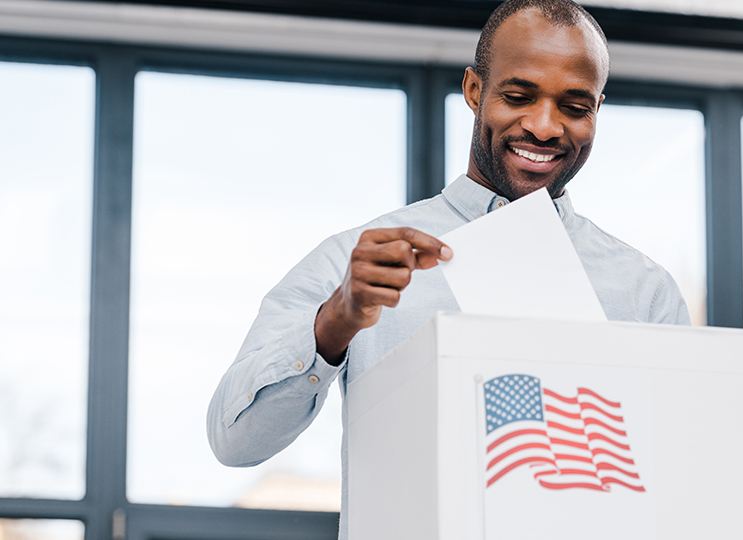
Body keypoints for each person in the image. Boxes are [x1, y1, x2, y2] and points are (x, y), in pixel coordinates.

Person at [207, 0, 690, 534]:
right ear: (474, 91)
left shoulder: (645, 293)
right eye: (518, 96)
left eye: (575, 107)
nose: (545, 127)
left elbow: (674, 486)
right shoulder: (357, 262)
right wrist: (335, 322)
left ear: (598, 109)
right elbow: (235, 442)